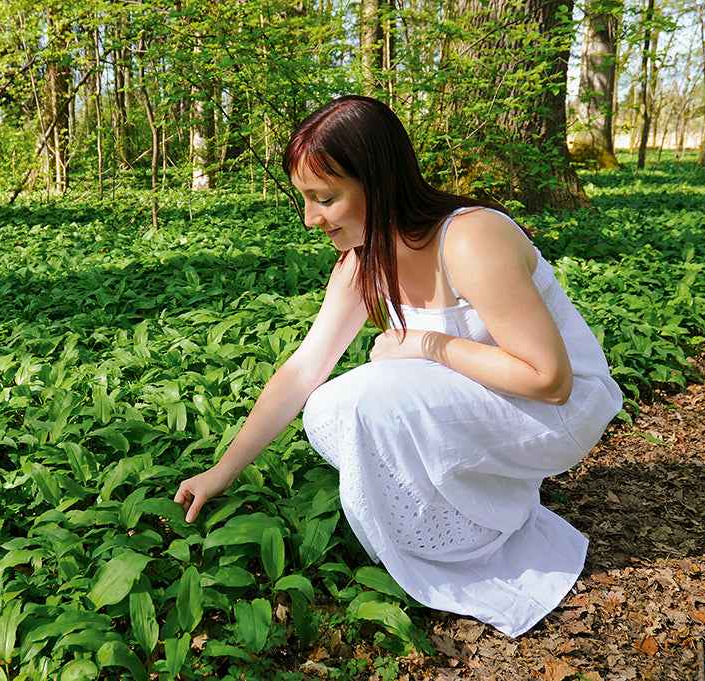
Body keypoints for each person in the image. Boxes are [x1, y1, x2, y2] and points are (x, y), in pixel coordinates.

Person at [173, 95, 622, 637]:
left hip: (558, 413)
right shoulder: (364, 259)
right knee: (328, 409)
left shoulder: (471, 237)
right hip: (489, 393)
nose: (312, 219)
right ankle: (473, 525)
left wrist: (426, 344)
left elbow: (550, 380)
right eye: (306, 200)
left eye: (326, 198)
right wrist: (223, 471)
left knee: (364, 398)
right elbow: (302, 371)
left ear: (377, 182)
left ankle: (476, 546)